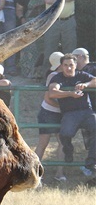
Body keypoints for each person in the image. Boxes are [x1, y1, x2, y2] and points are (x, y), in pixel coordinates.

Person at [47, 54, 96, 175]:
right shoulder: (58, 77)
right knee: (65, 134)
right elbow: (52, 93)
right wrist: (70, 93)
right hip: (70, 114)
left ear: (75, 65)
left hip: (86, 111)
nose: (68, 68)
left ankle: (91, 162)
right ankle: (68, 150)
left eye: (71, 65)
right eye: (65, 65)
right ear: (62, 66)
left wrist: (86, 85)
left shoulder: (82, 75)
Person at [42, 0, 79, 66]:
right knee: (49, 50)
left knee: (70, 50)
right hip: (51, 22)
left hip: (68, 21)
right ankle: (47, 78)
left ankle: (71, 76)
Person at [35, 52, 65, 181]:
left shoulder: (64, 76)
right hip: (48, 113)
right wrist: (64, 108)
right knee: (43, 143)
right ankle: (35, 173)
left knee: (62, 143)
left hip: (60, 114)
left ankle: (60, 173)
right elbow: (48, 98)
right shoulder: (53, 76)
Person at [16, 0, 47, 79]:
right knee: (29, 48)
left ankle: (40, 73)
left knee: (42, 49)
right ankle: (28, 72)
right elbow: (19, 9)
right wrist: (22, 19)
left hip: (44, 24)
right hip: (29, 25)